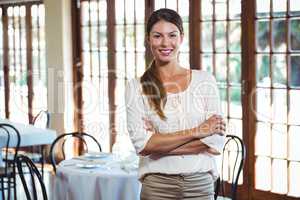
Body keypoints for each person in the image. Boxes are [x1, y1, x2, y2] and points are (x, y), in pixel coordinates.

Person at [125, 8, 226, 200]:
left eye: (172, 35)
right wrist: (198, 131)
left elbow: (214, 142)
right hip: (157, 187)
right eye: (157, 36)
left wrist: (158, 143)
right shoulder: (136, 87)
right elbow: (142, 144)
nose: (165, 43)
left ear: (181, 37)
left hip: (200, 185)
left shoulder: (205, 80)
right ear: (148, 39)